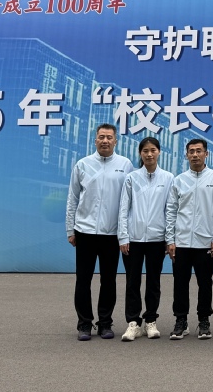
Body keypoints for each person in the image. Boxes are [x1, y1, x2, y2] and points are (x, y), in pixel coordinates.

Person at [66, 123, 133, 341]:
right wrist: (70, 229)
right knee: (83, 280)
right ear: (95, 140)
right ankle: (84, 324)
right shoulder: (83, 164)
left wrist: (125, 232)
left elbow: (129, 201)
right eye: (101, 137)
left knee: (109, 280)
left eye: (109, 137)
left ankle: (105, 323)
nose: (105, 141)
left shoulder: (125, 165)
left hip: (111, 233)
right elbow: (73, 199)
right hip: (84, 231)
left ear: (116, 141)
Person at [165, 139, 213, 340]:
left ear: (206, 154)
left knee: (205, 283)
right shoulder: (179, 180)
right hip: (181, 242)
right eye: (191, 151)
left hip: (205, 242)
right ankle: (180, 321)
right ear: (186, 155)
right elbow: (171, 211)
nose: (195, 155)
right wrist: (170, 239)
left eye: (199, 151)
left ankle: (204, 321)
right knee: (180, 283)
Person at [117, 137, 173, 342]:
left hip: (157, 239)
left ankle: (151, 321)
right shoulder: (132, 178)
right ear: (140, 154)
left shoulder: (168, 178)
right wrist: (123, 236)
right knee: (132, 281)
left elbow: (170, 210)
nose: (149, 154)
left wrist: (169, 238)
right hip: (134, 239)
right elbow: (123, 209)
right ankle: (133, 323)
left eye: (153, 150)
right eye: (145, 151)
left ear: (159, 152)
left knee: (153, 282)